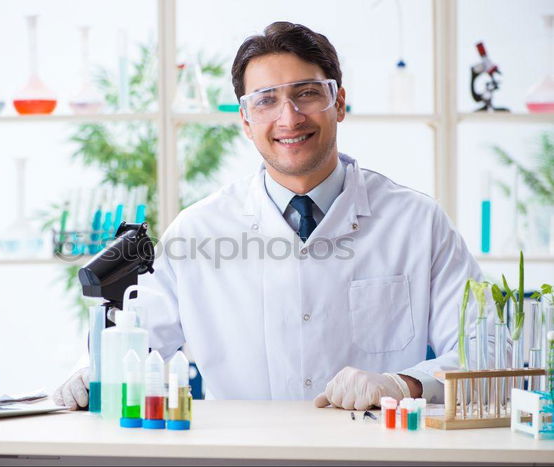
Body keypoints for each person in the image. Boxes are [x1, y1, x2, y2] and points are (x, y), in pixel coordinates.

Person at [54, 22, 483, 411]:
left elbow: (480, 349)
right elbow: (137, 339)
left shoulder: (417, 222)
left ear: (339, 103)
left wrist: (402, 383)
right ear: (245, 119)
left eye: (307, 93)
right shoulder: (199, 230)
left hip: (380, 460)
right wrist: (91, 374)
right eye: (266, 101)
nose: (289, 117)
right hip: (244, 462)